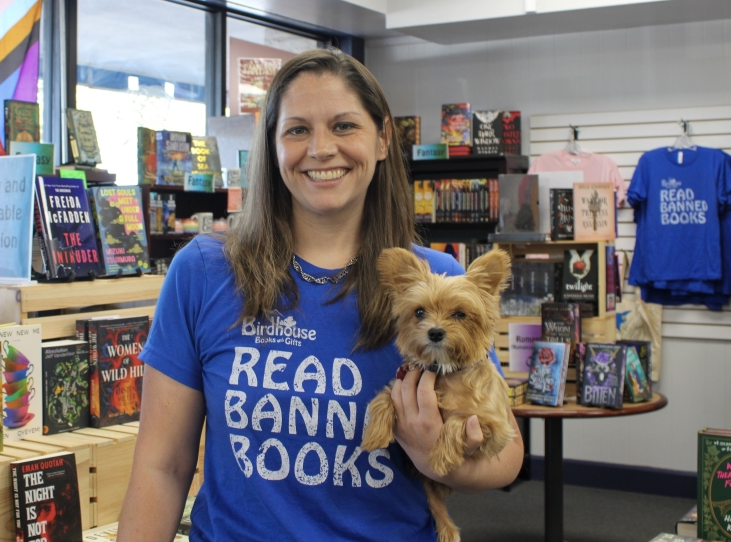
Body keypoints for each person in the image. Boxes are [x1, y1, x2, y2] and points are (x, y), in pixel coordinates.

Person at [120, 48, 523, 541]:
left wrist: (436, 458)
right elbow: (163, 466)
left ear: (381, 139)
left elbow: (506, 456)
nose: (321, 148)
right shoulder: (204, 272)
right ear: (272, 146)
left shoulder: (435, 282)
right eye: (297, 130)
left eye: (344, 126)